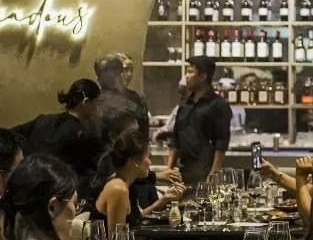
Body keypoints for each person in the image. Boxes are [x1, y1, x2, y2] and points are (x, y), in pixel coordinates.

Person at [12, 79, 103, 182]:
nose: (97, 109)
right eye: (96, 103)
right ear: (85, 102)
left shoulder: (42, 120)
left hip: (25, 183)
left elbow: (8, 135)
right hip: (56, 192)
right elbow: (96, 173)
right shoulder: (82, 135)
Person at [167, 55, 232, 189]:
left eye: (191, 72)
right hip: (182, 172)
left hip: (204, 171)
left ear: (203, 76)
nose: (186, 76)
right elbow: (175, 138)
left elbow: (221, 142)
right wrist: (169, 168)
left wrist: (214, 173)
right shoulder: (185, 103)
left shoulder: (218, 105)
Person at [95, 127, 180, 227]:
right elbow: (116, 238)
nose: (150, 162)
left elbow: (134, 220)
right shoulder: (118, 188)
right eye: (148, 157)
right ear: (135, 161)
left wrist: (164, 200)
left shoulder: (128, 186)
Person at [93, 51, 149, 135]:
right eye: (125, 69)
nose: (129, 74)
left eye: (131, 70)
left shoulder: (136, 98)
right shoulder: (95, 100)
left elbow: (143, 131)